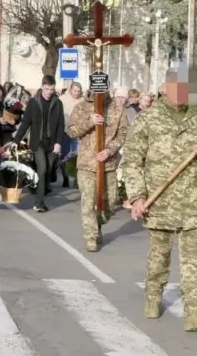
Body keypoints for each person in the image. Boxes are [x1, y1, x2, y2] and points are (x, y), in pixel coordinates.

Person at [120, 64, 197, 332]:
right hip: (159, 199)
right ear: (165, 87)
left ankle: (194, 311)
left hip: (193, 200)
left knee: (192, 258)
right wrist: (137, 197)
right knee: (160, 255)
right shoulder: (148, 118)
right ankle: (153, 297)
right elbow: (132, 160)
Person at [66, 86, 128, 251]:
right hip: (87, 163)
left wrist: (110, 150)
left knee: (110, 203)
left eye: (103, 88)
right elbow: (71, 131)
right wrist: (90, 122)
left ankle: (98, 223)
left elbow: (123, 134)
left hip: (108, 163)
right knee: (88, 201)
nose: (100, 91)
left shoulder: (117, 109)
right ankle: (90, 237)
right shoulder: (81, 107)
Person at [13, 75, 65, 213]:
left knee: (48, 170)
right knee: (42, 169)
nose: (49, 92)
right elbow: (25, 124)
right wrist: (16, 141)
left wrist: (58, 143)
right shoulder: (33, 102)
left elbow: (61, 125)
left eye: (52, 89)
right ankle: (39, 203)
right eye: (47, 89)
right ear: (42, 87)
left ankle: (41, 195)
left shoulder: (58, 103)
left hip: (52, 142)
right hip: (38, 142)